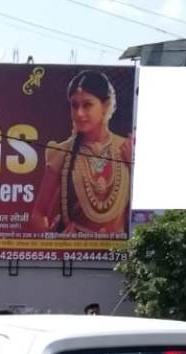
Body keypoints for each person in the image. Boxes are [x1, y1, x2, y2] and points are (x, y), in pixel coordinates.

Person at [30, 70, 133, 235]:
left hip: (120, 256)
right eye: (74, 105)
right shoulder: (61, 152)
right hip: (75, 254)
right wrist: (52, 237)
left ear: (105, 105)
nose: (79, 113)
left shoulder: (126, 149)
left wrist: (133, 167)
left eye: (87, 105)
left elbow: (147, 213)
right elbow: (38, 215)